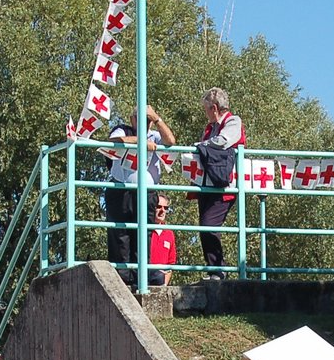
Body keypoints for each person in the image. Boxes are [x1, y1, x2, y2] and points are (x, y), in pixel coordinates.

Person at [149, 88, 244, 278]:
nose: (205, 113)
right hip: (207, 185)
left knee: (209, 225)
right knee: (204, 227)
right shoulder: (209, 128)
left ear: (214, 108)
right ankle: (214, 270)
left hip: (225, 186)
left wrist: (200, 146)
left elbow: (223, 142)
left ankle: (219, 270)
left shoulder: (233, 121)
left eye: (206, 109)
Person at [104, 106, 173, 285]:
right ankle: (122, 277)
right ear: (132, 119)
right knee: (121, 234)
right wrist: (141, 142)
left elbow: (170, 141)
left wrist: (157, 119)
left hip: (147, 193)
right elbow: (115, 140)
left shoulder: (155, 135)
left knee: (144, 234)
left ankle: (142, 275)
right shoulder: (122, 129)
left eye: (148, 120)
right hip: (121, 191)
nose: (145, 123)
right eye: (141, 119)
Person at [148, 196, 177, 286]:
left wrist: (164, 285)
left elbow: (171, 262)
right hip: (143, 275)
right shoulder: (144, 230)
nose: (162, 210)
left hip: (160, 281)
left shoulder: (169, 233)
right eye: (159, 206)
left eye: (165, 208)